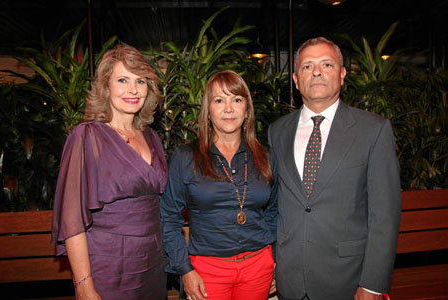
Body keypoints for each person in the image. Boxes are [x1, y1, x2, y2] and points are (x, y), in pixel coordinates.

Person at [268, 37, 402, 300]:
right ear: (295, 80)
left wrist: (373, 284)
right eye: (307, 66)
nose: (316, 71)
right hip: (289, 278)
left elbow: (384, 215)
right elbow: (276, 204)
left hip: (347, 280)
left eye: (326, 64)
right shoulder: (277, 131)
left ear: (342, 75)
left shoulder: (373, 130)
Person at [51, 44, 168, 300]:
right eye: (122, 80)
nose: (133, 89)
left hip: (153, 264)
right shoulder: (87, 137)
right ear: (106, 86)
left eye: (140, 81)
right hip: (110, 267)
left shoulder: (152, 137)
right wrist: (84, 285)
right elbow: (72, 220)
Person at [161, 70, 277, 300]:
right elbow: (168, 217)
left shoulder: (266, 157)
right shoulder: (186, 157)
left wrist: (276, 261)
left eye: (236, 99)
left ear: (247, 110)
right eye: (219, 100)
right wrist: (184, 269)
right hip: (206, 270)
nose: (228, 108)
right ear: (208, 110)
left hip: (258, 267)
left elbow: (274, 212)